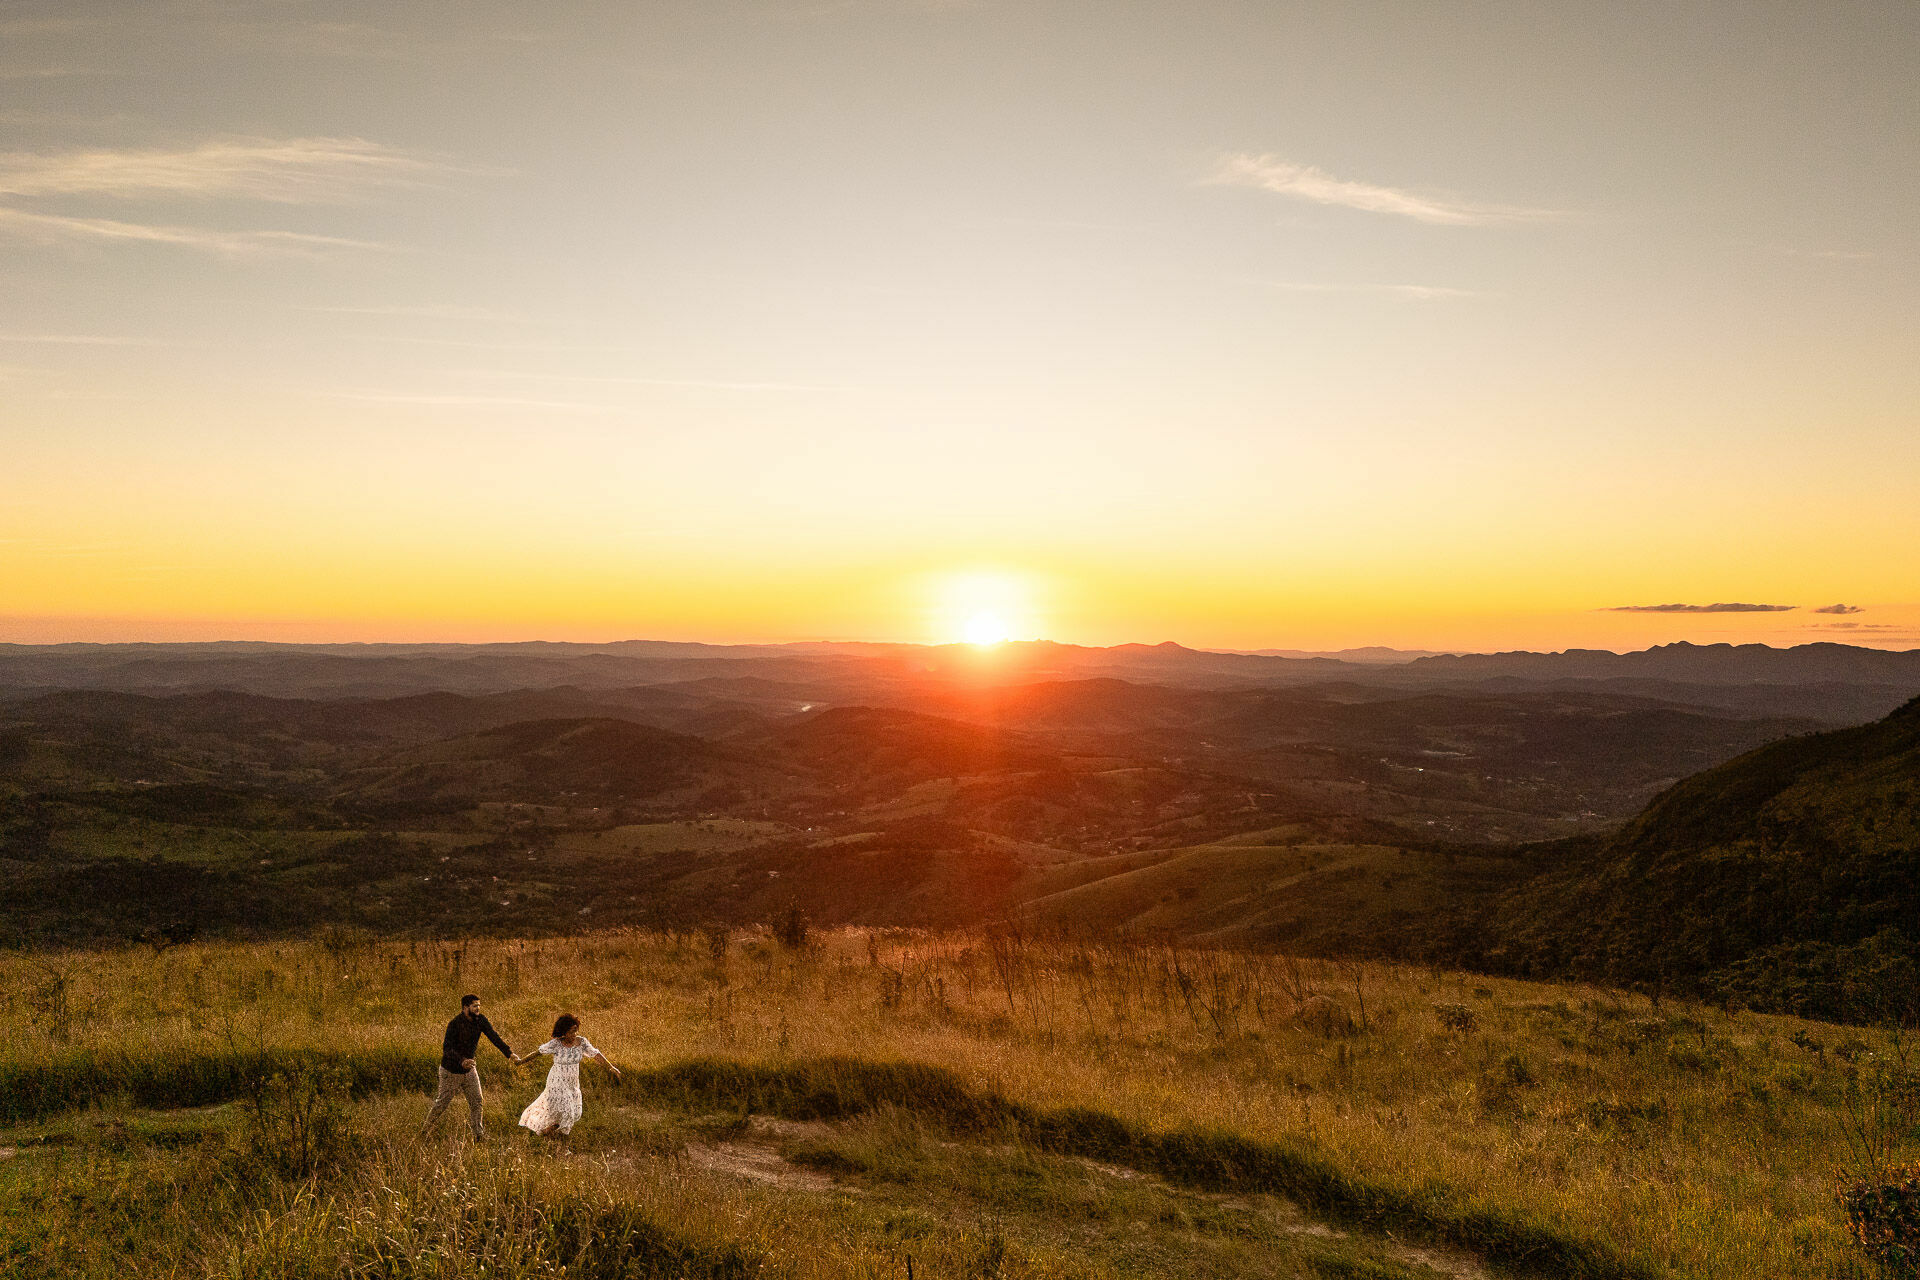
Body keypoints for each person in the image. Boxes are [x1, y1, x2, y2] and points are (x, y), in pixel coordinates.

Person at [514, 1013, 620, 1146]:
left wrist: (611, 1067)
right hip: (557, 1081)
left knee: (575, 1112)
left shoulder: (582, 1042)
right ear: (563, 1032)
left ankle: (548, 1131)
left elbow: (595, 1054)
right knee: (567, 1111)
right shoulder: (556, 1044)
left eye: (576, 1031)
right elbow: (537, 1053)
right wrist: (520, 1061)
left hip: (573, 1083)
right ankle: (564, 1148)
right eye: (571, 1032)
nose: (574, 1034)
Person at [421, 994, 517, 1140]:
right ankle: (424, 1132)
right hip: (451, 1071)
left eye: (479, 1005)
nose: (478, 1008)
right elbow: (447, 1048)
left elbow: (493, 1036)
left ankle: (479, 1135)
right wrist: (461, 1061)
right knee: (441, 1104)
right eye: (474, 1006)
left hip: (470, 1070)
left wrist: (509, 1053)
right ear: (465, 1008)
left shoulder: (481, 1020)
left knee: (477, 1101)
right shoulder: (455, 1024)